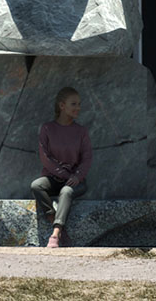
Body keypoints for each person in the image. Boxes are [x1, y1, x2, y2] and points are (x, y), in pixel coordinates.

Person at [32, 87, 92, 248]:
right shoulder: (47, 129)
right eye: (74, 104)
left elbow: (87, 158)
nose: (78, 108)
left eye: (79, 104)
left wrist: (77, 176)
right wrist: (65, 175)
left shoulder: (81, 131)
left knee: (66, 191)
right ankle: (54, 219)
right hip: (54, 179)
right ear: (62, 106)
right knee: (36, 185)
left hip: (75, 182)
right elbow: (45, 158)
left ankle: (56, 234)